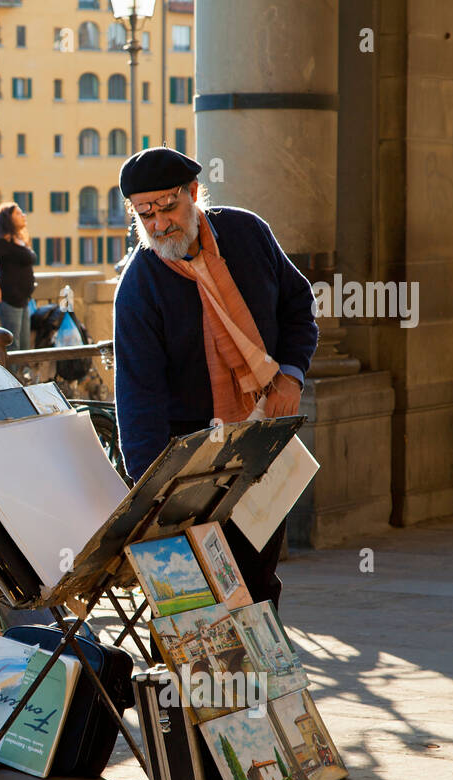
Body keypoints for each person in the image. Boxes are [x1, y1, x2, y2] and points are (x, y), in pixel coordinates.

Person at [113, 147, 318, 609]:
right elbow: (138, 402)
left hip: (262, 440)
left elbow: (298, 307)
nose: (159, 224)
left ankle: (260, 682)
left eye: (167, 206)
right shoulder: (139, 287)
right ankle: (204, 683)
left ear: (193, 193)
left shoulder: (248, 233)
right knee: (201, 603)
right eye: (145, 214)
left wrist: (289, 375)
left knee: (259, 586)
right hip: (190, 467)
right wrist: (155, 499)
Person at [0, 202, 37, 350]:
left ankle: (20, 374)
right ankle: (9, 374)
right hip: (10, 301)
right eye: (18, 213)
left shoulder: (19, 241)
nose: (23, 215)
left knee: (24, 346)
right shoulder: (3, 243)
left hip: (23, 300)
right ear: (8, 219)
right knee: (13, 346)